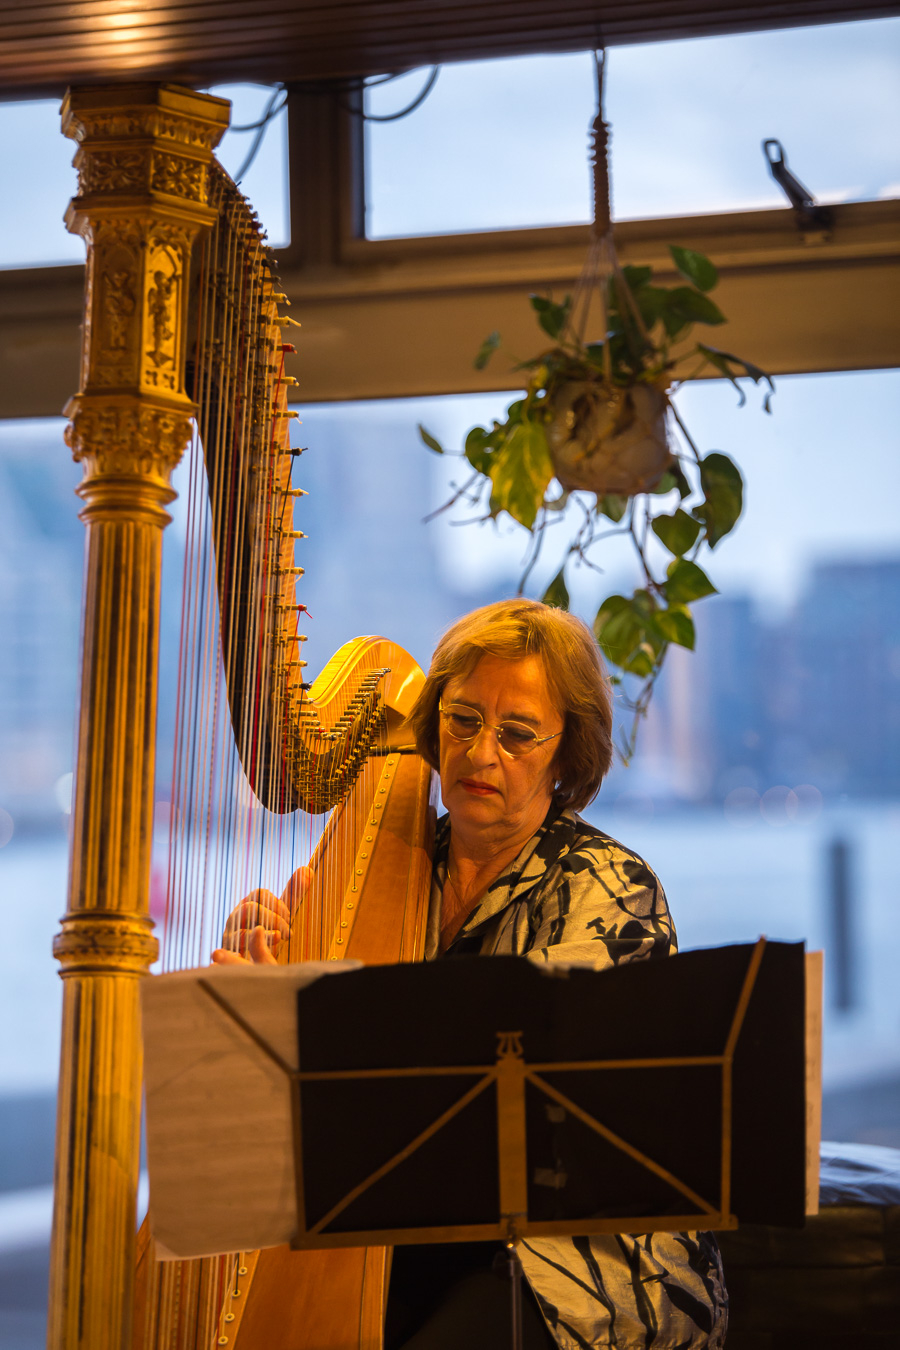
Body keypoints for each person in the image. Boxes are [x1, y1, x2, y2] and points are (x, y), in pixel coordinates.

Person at [213, 598, 728, 1350]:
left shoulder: (608, 888)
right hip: (413, 1236)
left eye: (517, 734)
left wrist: (332, 1025)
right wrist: (263, 993)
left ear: (567, 754)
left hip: (573, 1265)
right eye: (462, 720)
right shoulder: (392, 864)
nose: (482, 752)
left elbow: (543, 1133)